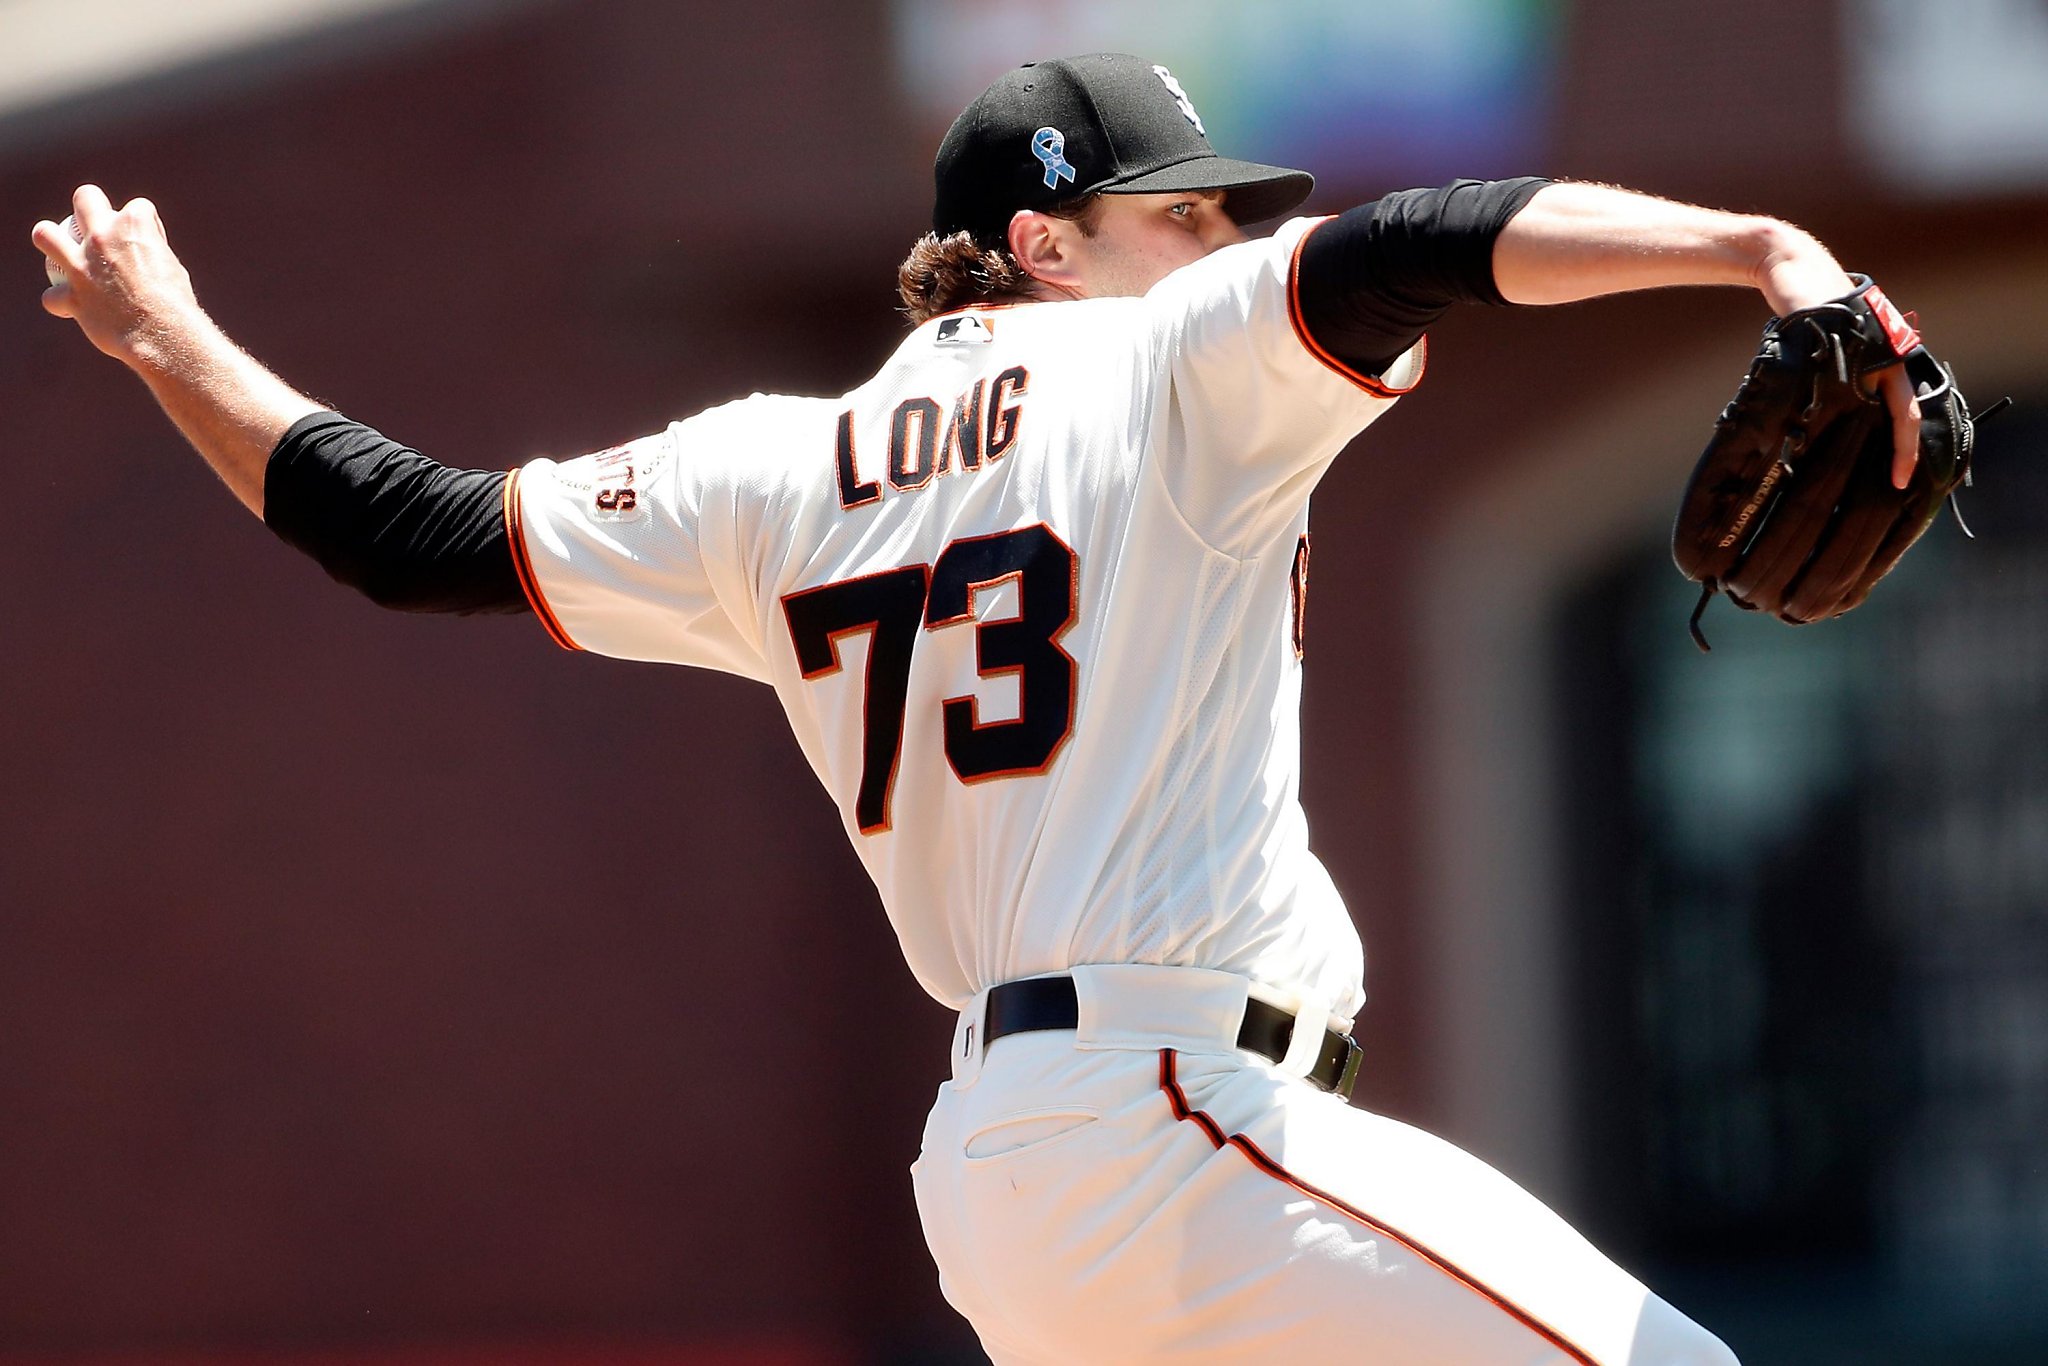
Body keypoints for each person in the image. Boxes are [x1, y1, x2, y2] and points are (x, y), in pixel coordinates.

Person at [37, 52, 1918, 1366]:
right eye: (1182, 215)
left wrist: (167, 337)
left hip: (1014, 1180)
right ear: (1047, 242)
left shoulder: (769, 465)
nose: (1220, 245)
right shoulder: (1159, 360)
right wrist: (1765, 248)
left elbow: (408, 532)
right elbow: (1418, 236)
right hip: (1189, 1121)